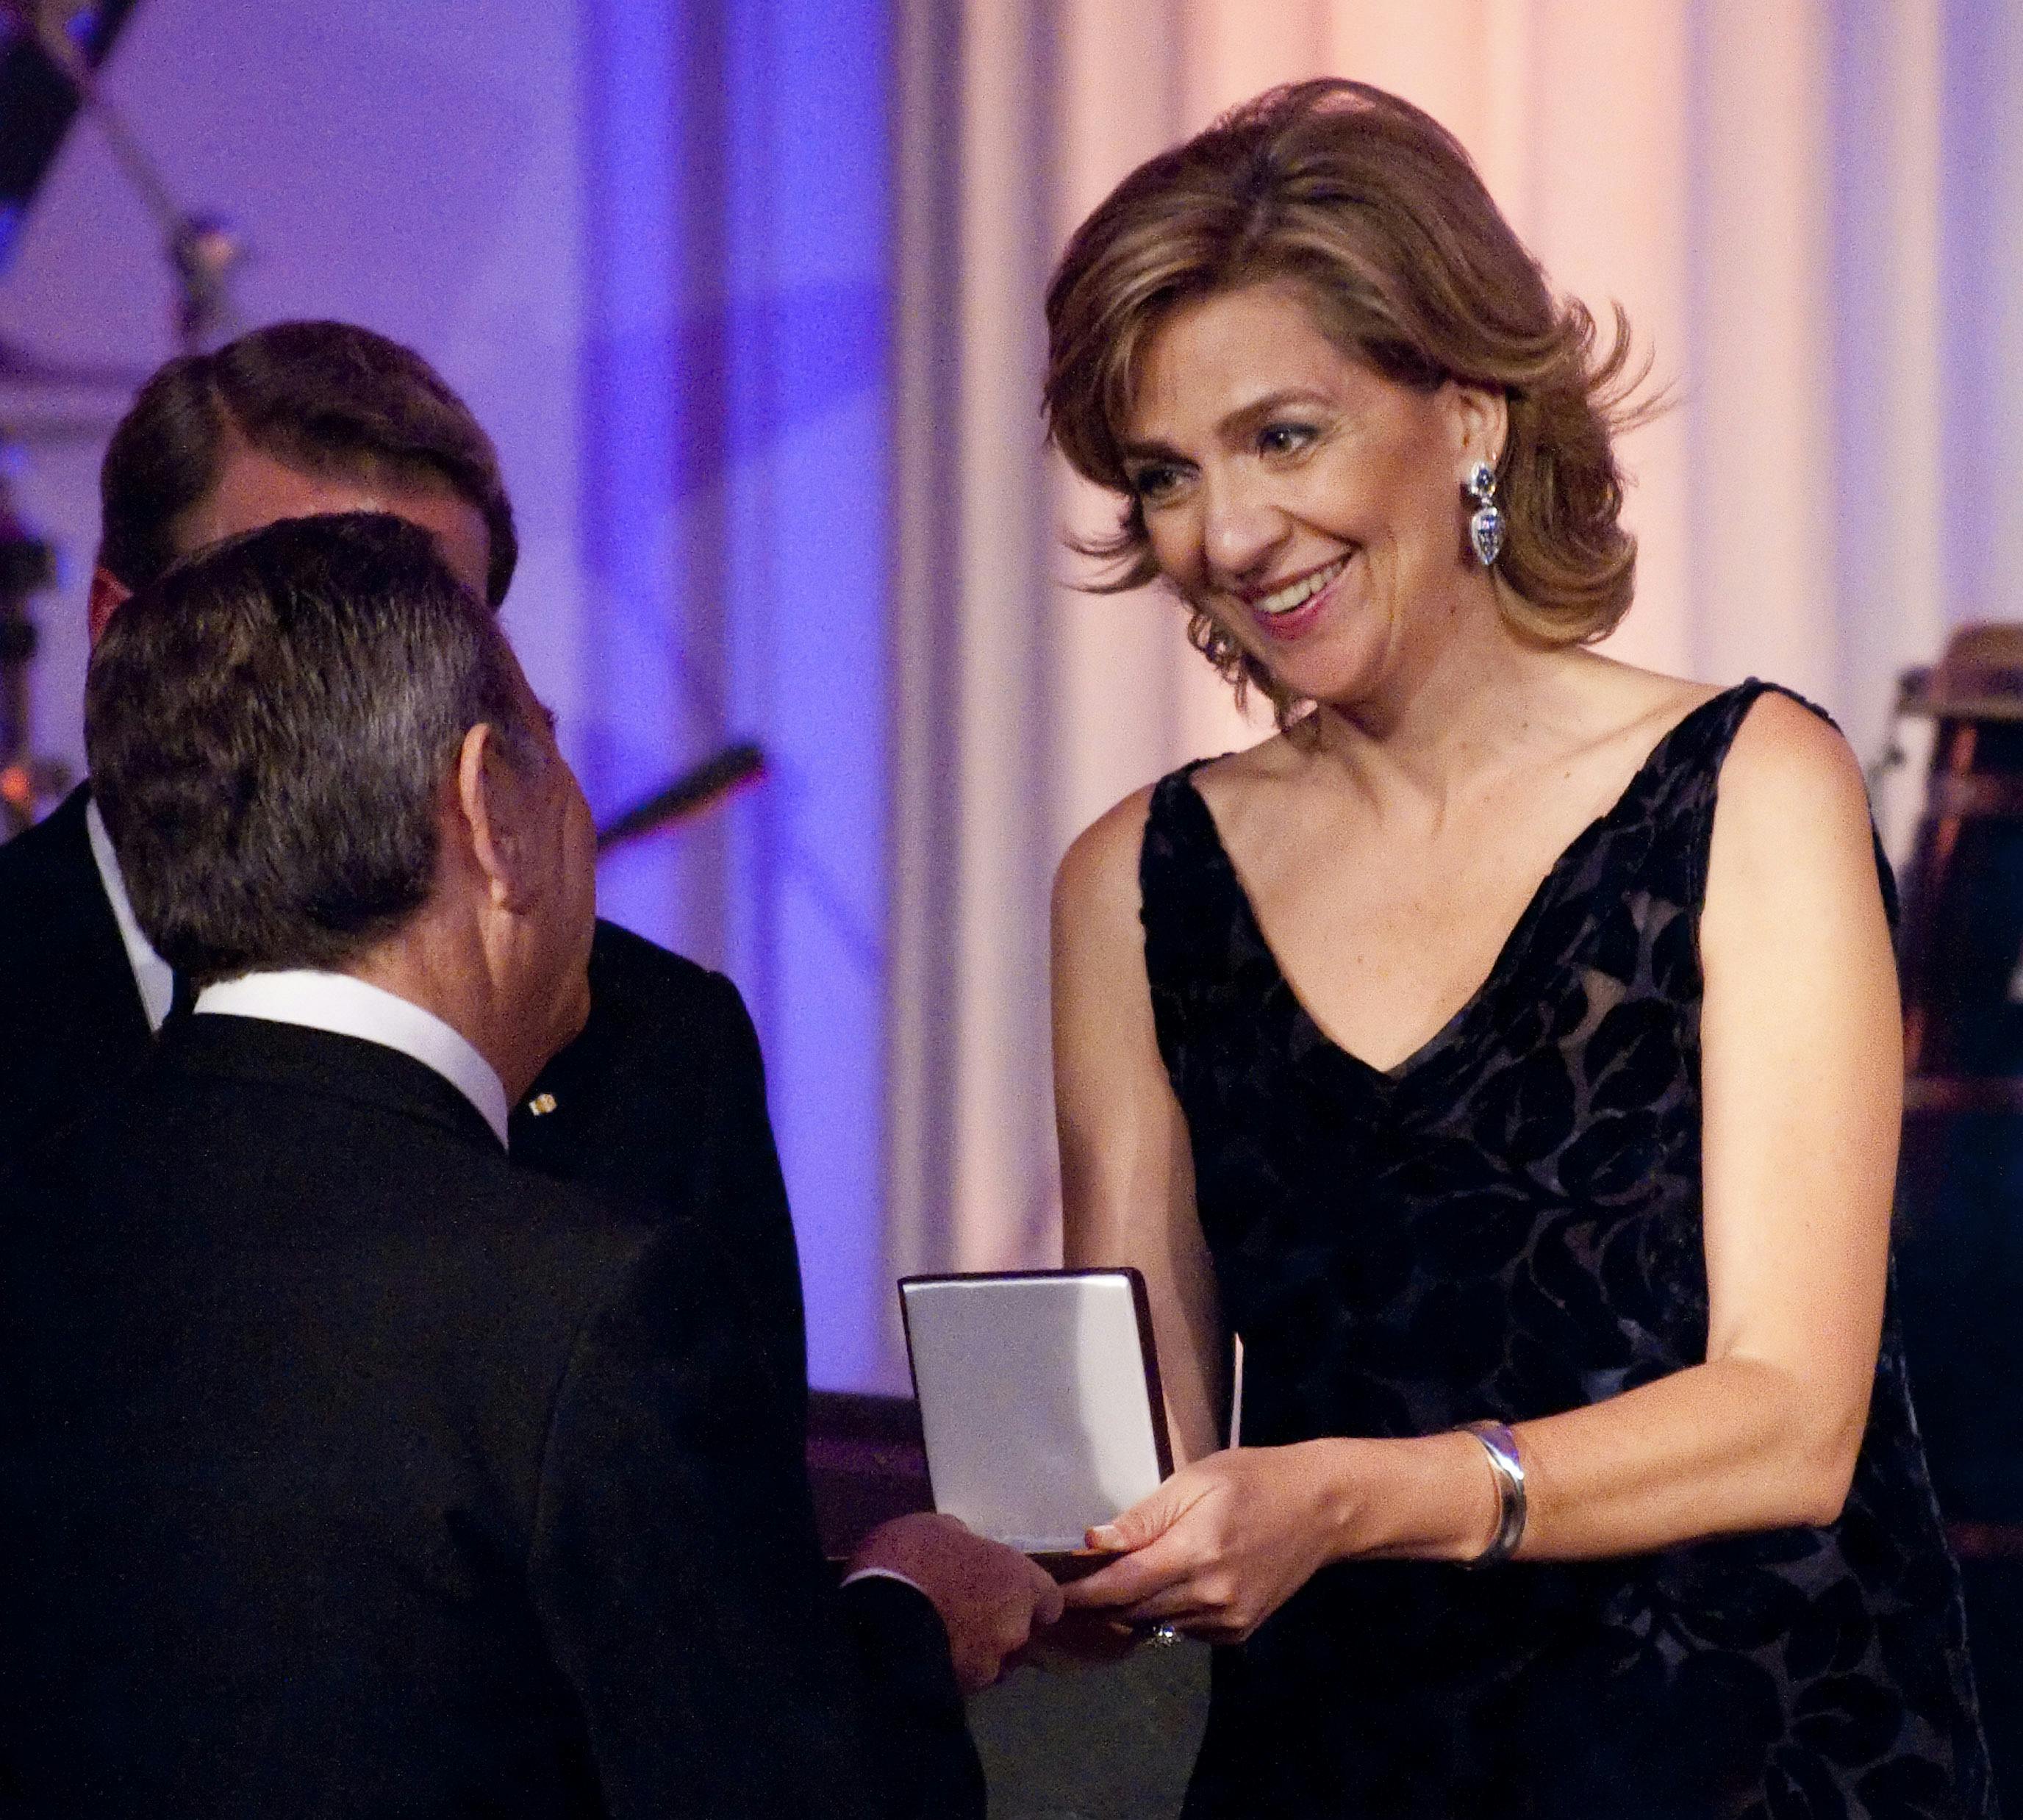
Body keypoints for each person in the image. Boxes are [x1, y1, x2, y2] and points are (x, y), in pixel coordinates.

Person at [1043, 79, 1994, 1816]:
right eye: (1166, 474)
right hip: (1342, 1757)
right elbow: (1148, 1447)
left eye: (1283, 436)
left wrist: (1350, 1493)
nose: (1228, 537)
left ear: (1467, 415)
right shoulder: (1133, 879)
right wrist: (1037, 1542)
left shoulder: (1743, 786)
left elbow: (1791, 1415)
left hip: (1742, 1748)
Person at [0, 513, 1060, 1817]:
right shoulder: (587, 1305)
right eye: (548, 745)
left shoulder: (36, 1210)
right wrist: (908, 1606)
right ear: (491, 809)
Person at [0, 320, 808, 1427]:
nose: (361, 689)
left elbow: (723, 1526)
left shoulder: (661, 1047)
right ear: (116, 631)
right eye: (294, 619)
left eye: (426, 637)